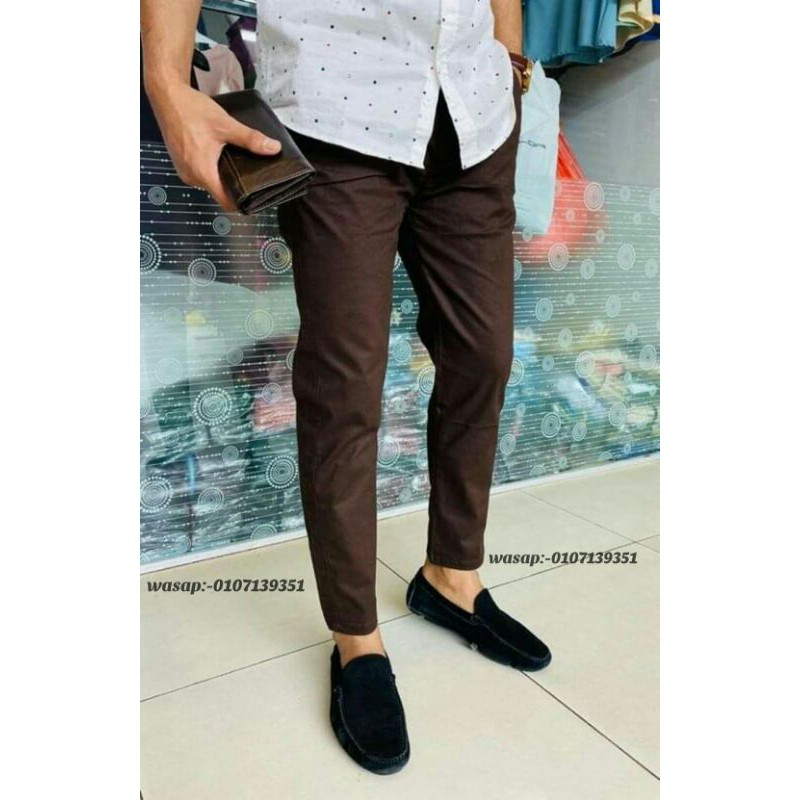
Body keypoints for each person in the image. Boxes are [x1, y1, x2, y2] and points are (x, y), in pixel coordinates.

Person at [141, 0, 551, 775]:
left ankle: (452, 577)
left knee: (483, 355)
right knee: (346, 385)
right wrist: (167, 87)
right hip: (338, 114)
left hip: (475, 111)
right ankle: (357, 638)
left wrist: (509, 58)